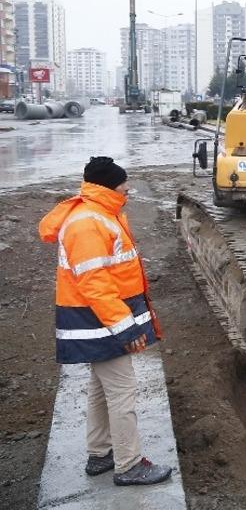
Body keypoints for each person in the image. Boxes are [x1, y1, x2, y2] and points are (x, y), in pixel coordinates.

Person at [38, 157, 173, 486]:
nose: (128, 188)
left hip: (99, 320)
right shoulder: (88, 223)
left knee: (101, 389)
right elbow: (95, 284)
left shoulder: (102, 214)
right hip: (99, 322)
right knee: (122, 391)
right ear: (109, 185)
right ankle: (128, 465)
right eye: (124, 183)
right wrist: (125, 328)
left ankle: (100, 454)